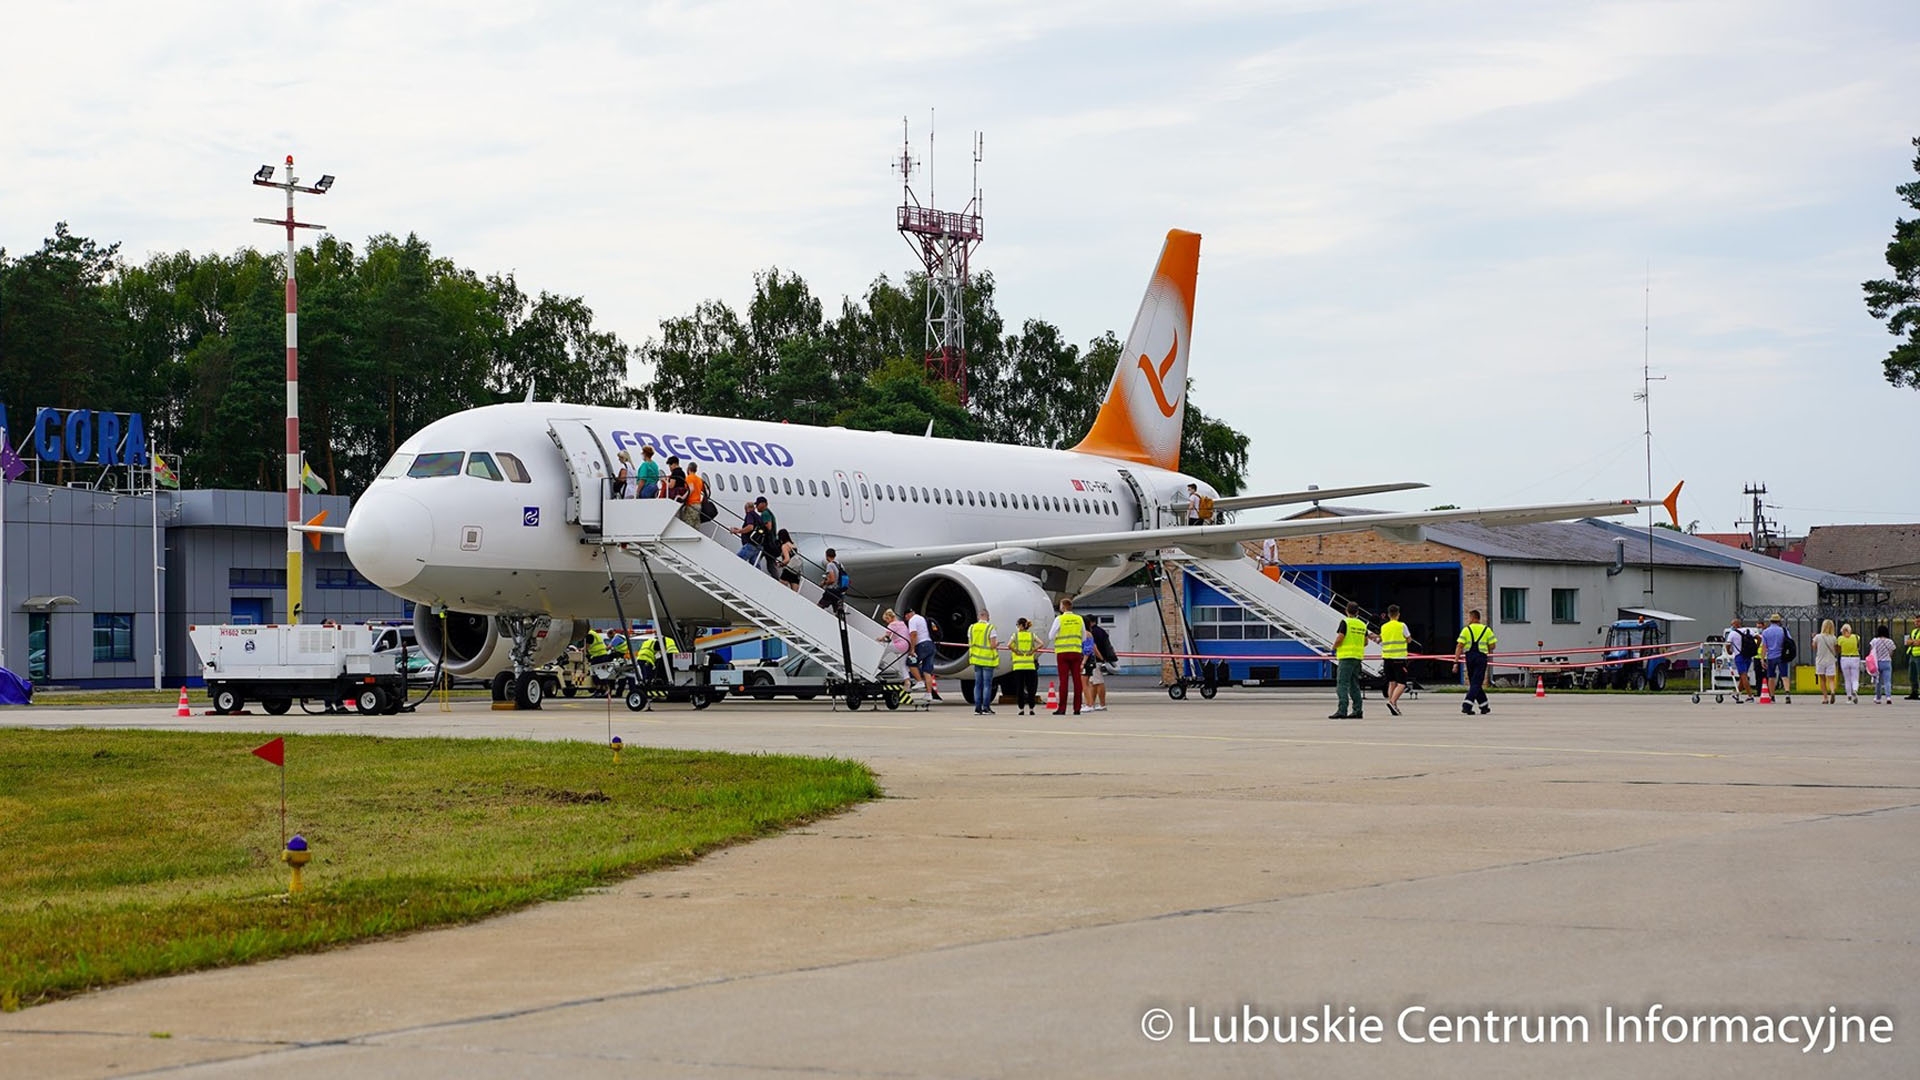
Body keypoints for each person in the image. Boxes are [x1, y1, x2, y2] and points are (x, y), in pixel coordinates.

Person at [1329, 601, 1376, 719]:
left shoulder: (1345, 622)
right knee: (1354, 685)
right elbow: (1365, 642)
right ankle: (1357, 710)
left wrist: (1334, 648)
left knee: (1342, 684)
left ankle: (1342, 710)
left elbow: (1340, 637)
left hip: (1346, 657)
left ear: (1346, 610)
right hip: (1357, 658)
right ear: (1358, 612)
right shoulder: (1362, 624)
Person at [1455, 609, 1497, 715]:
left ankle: (1483, 706)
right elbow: (1492, 646)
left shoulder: (1466, 630)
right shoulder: (1487, 630)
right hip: (1481, 657)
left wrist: (1456, 662)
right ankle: (1468, 705)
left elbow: (1459, 646)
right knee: (1477, 682)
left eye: (1469, 617)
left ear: (1473, 618)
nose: (1468, 620)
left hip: (1470, 657)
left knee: (1474, 682)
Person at [1049, 597, 1086, 715]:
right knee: (1077, 681)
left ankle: (1062, 708)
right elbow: (1084, 636)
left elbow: (1051, 635)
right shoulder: (1079, 619)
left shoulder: (1060, 619)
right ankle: (1077, 708)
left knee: (1063, 681)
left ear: (1063, 607)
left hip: (1062, 653)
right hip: (1076, 652)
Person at [1378, 604, 1410, 716]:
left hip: (1387, 658)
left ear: (1388, 615)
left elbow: (1380, 639)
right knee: (1402, 683)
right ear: (1398, 614)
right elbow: (1408, 639)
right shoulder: (1402, 625)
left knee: (1392, 682)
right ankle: (1392, 702)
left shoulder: (1384, 627)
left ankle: (1393, 704)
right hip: (1399, 658)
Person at [905, 605, 940, 701]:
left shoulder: (912, 620)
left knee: (910, 663)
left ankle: (919, 681)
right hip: (931, 645)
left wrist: (912, 649)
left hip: (922, 645)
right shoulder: (922, 618)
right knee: (927, 671)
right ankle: (929, 694)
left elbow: (913, 635)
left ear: (908, 615)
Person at [967, 609, 999, 714]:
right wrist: (997, 644)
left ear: (978, 617)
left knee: (977, 684)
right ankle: (986, 707)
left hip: (976, 659)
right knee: (987, 685)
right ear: (987, 616)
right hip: (988, 660)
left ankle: (977, 708)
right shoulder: (990, 628)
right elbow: (993, 645)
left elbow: (970, 643)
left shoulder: (971, 628)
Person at [1009, 617, 1040, 715]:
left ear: (1021, 626)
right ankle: (1031, 708)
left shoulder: (1015, 636)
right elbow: (1041, 643)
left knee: (1020, 687)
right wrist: (1033, 651)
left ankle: (1021, 708)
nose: (1017, 627)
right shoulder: (1032, 635)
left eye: (1018, 625)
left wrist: (1016, 651)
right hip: (1030, 665)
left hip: (1018, 666)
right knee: (1031, 688)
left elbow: (1009, 645)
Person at [1086, 620, 1115, 712]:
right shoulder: (1101, 631)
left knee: (1098, 682)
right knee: (1094, 683)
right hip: (1098, 660)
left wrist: (1101, 659)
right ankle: (1092, 703)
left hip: (1095, 661)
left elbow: (1094, 648)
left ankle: (1101, 704)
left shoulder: (1091, 633)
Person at [1726, 617, 1757, 701]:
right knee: (1743, 676)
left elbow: (1727, 644)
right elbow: (1759, 638)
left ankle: (1750, 696)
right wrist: (1756, 648)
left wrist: (1729, 651)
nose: (1731, 626)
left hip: (1739, 656)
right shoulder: (1748, 630)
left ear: (1736, 624)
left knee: (1743, 676)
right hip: (1748, 655)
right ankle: (1737, 693)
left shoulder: (1732, 633)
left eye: (1732, 624)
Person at [1761, 613, 1790, 699]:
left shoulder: (1765, 632)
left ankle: (1772, 695)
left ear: (1770, 621)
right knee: (1784, 676)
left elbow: (1764, 647)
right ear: (1779, 621)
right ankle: (1787, 693)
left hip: (1771, 657)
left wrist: (1762, 659)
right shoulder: (1784, 631)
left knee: (1771, 676)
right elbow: (1789, 642)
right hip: (1782, 655)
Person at [879, 608, 912, 681]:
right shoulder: (902, 623)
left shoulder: (892, 625)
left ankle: (879, 662)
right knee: (902, 665)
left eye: (886, 620)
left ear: (889, 618)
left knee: (885, 649)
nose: (886, 622)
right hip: (907, 646)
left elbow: (887, 637)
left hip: (900, 645)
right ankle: (907, 679)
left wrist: (880, 639)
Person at [1812, 619, 1839, 704]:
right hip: (1830, 660)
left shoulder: (1818, 637)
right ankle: (1832, 691)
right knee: (1831, 679)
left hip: (1820, 660)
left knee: (1822, 680)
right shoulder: (1834, 638)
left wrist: (1813, 638)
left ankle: (1825, 698)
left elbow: (1814, 647)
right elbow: (1836, 649)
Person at [754, 497, 781, 577]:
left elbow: (768, 526)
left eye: (757, 504)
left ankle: (753, 574)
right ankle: (776, 580)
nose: (756, 507)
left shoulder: (765, 513)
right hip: (770, 543)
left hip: (767, 543)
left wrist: (759, 527)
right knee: (770, 564)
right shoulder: (768, 513)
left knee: (755, 558)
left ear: (763, 504)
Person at [1869, 625, 1896, 704]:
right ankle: (1888, 697)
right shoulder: (1889, 641)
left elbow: (1871, 651)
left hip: (1877, 663)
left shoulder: (1874, 641)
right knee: (1887, 681)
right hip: (1887, 662)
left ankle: (1878, 698)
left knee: (1878, 681)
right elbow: (1892, 651)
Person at [1838, 622, 1863, 704]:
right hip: (1855, 657)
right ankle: (1855, 690)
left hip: (1844, 658)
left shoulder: (1840, 639)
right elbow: (1858, 646)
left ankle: (1849, 697)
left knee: (1847, 679)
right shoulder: (1856, 637)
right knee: (1855, 678)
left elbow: (1838, 649)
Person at [817, 547, 846, 614]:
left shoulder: (830, 565)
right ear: (835, 555)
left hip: (831, 590)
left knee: (819, 607)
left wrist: (824, 583)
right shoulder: (840, 565)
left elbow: (832, 579)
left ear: (826, 555)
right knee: (837, 612)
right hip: (839, 591)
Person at [734, 501, 763, 565]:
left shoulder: (750, 514)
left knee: (738, 560)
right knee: (754, 565)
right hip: (758, 545)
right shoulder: (758, 517)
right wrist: (740, 529)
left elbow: (750, 527)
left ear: (747, 508)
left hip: (750, 544)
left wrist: (738, 531)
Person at [1906, 623, 1920, 701]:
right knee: (1912, 675)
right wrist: (1914, 642)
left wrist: (1912, 642)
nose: (1917, 623)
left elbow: (1918, 643)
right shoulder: (1913, 631)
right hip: (1912, 654)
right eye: (1916, 621)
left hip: (1919, 655)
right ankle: (1914, 692)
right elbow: (1907, 642)